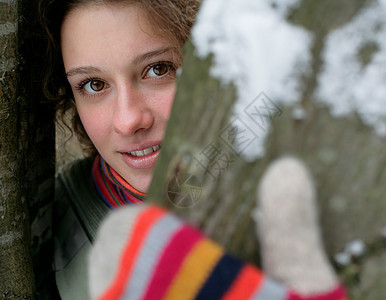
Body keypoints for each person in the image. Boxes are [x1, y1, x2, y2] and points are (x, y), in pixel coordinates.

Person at [32, 0, 348, 299]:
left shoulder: (321, 190)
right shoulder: (46, 233)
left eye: (158, 69)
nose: (128, 121)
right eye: (94, 85)